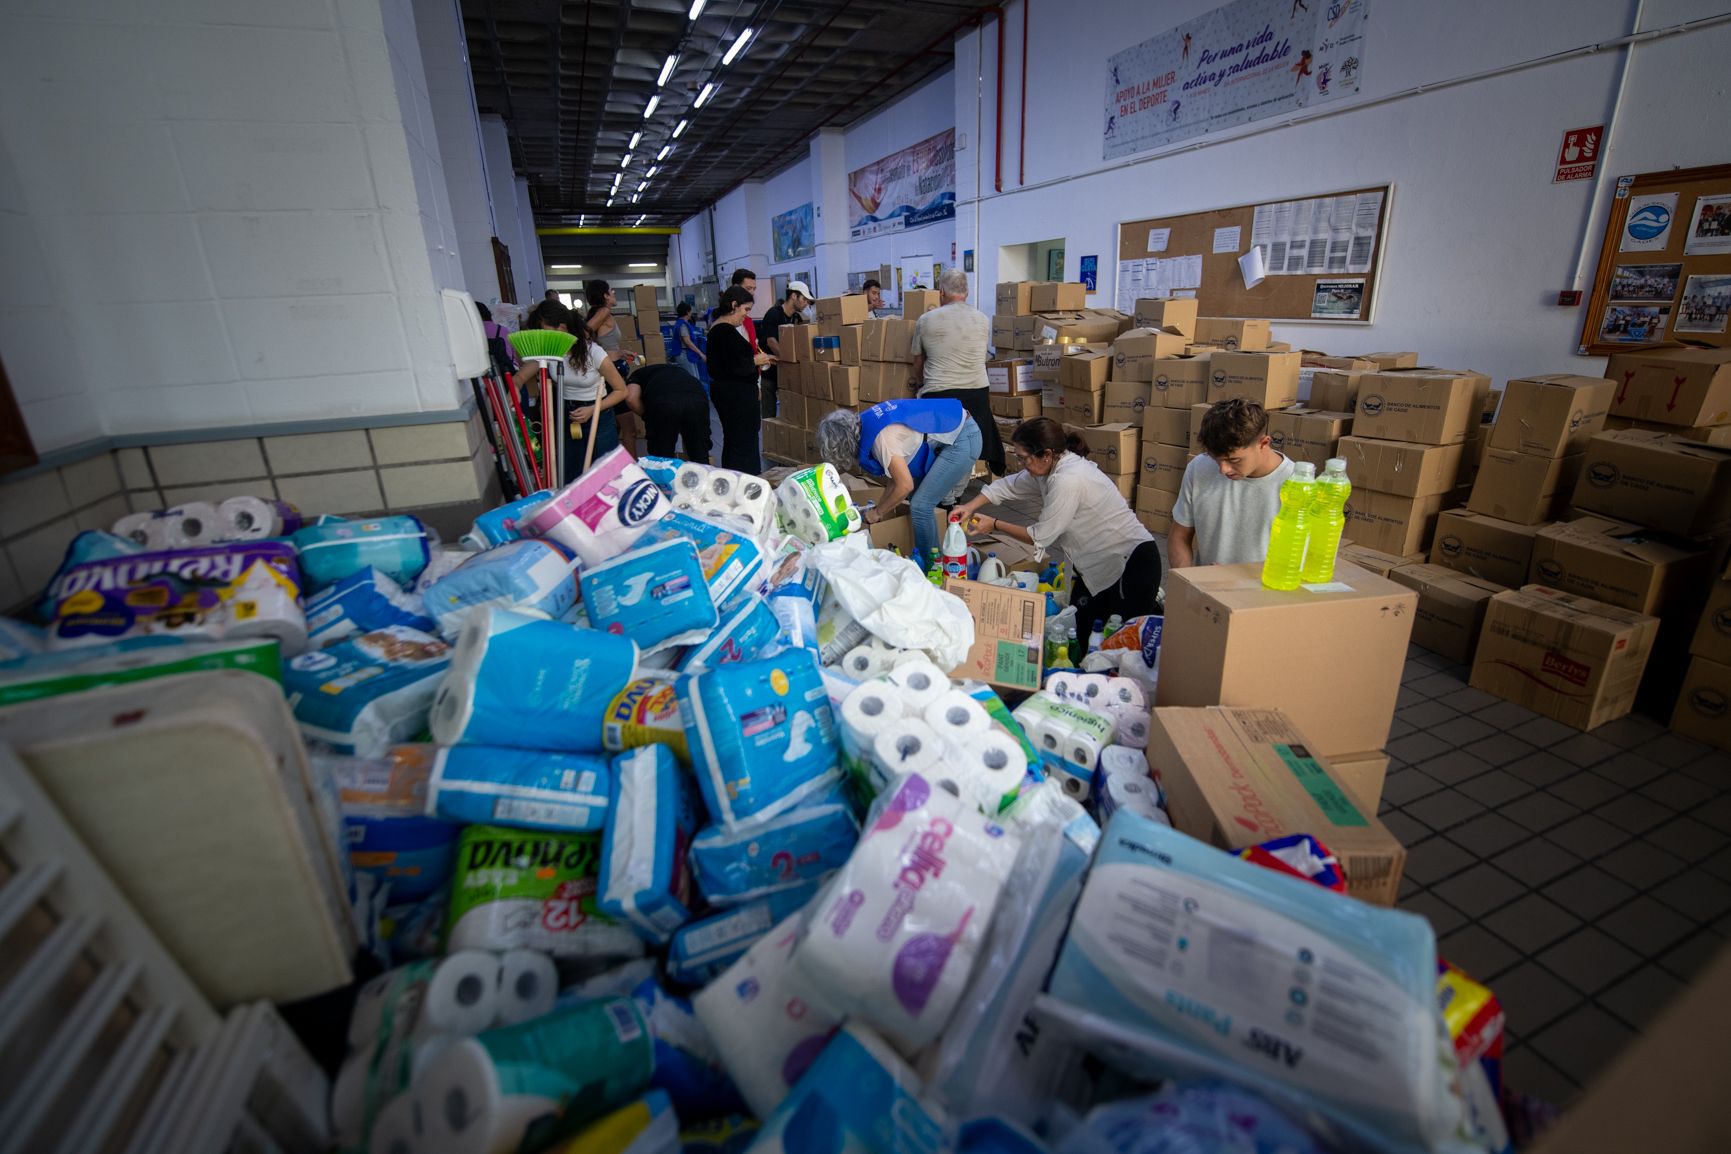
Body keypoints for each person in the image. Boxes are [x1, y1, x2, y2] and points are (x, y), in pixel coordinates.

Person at [954, 417, 1159, 643]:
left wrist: (993, 524)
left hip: (1131, 563)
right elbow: (1008, 486)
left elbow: (1039, 536)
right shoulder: (1047, 469)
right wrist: (969, 506)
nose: (1021, 464)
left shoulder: (1068, 479)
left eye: (1023, 459)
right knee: (1081, 633)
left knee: (1121, 643)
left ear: (1047, 454)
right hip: (1098, 567)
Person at [816, 399, 982, 568]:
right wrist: (878, 508)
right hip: (957, 426)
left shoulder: (882, 440)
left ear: (846, 444)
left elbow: (904, 485)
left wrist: (878, 512)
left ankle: (931, 569)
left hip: (963, 439)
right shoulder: (865, 422)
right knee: (914, 500)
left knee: (920, 505)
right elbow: (894, 480)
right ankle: (933, 560)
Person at [1169, 398, 1296, 569]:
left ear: (1263, 443)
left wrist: (1236, 581)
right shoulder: (1199, 467)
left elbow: (1302, 563)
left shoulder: (1296, 485)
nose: (1223, 470)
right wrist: (1188, 582)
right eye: (1216, 459)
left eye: (1234, 460)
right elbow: (1179, 536)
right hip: (1206, 590)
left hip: (1265, 592)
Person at [511, 302, 629, 483]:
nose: (544, 337)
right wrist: (515, 388)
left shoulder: (593, 352)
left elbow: (622, 391)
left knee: (606, 475)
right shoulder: (549, 353)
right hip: (567, 413)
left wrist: (592, 410)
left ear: (563, 327)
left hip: (599, 414)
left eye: (547, 331)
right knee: (573, 474)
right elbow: (520, 376)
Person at [909, 268, 1005, 476]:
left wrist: (916, 383)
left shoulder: (925, 320)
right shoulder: (982, 319)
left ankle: (939, 482)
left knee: (938, 445)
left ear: (941, 292)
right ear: (967, 294)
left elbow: (918, 361)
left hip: (940, 395)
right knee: (971, 439)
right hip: (977, 393)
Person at [708, 286, 774, 474]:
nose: (745, 316)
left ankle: (741, 479)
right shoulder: (723, 331)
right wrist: (755, 360)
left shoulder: (722, 330)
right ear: (733, 305)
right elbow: (733, 366)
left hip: (737, 395)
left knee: (739, 441)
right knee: (741, 443)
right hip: (735, 397)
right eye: (745, 310)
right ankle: (746, 480)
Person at [585, 280, 642, 456]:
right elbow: (584, 334)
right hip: (612, 373)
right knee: (629, 430)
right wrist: (607, 357)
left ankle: (613, 466)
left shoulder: (602, 312)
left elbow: (601, 342)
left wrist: (619, 352)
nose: (614, 293)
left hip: (613, 367)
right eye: (611, 291)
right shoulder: (603, 311)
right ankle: (632, 472)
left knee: (615, 428)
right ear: (605, 296)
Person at [626, 362, 712, 464]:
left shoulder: (636, 375)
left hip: (664, 402)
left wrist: (648, 415)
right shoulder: (680, 371)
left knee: (661, 457)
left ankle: (664, 476)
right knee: (699, 452)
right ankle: (700, 475)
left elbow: (631, 399)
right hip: (697, 399)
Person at [757, 280, 811, 420]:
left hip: (786, 373)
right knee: (769, 415)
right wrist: (790, 360)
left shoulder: (796, 317)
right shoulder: (774, 313)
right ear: (793, 296)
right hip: (771, 373)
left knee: (789, 414)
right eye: (804, 299)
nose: (805, 304)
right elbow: (772, 342)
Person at [673, 302, 706, 377]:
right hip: (684, 354)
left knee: (695, 378)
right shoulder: (682, 325)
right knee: (693, 379)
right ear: (687, 312)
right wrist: (700, 353)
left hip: (686, 354)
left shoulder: (680, 323)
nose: (691, 313)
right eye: (690, 311)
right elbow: (687, 342)